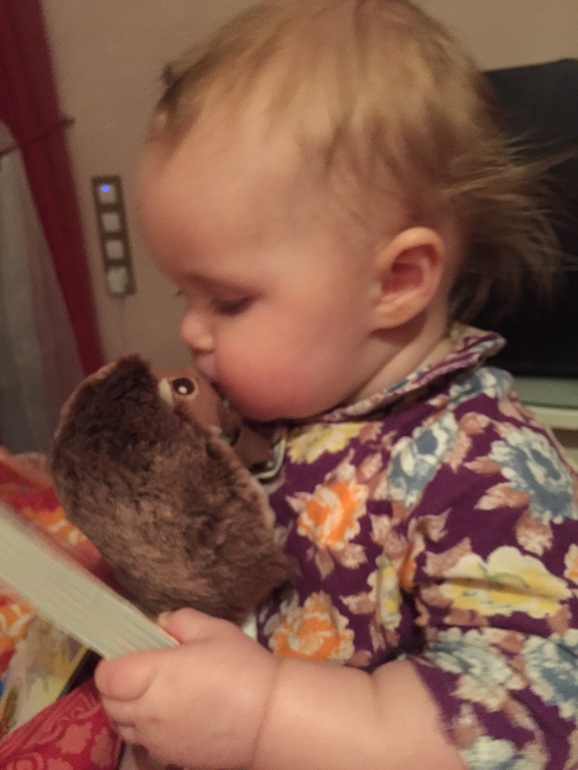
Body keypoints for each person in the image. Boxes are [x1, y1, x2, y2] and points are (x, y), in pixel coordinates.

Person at [95, 1, 578, 768]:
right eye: (184, 295)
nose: (192, 329)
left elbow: (528, 723)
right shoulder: (305, 403)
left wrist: (263, 716)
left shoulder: (483, 469)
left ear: (398, 281)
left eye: (228, 301)